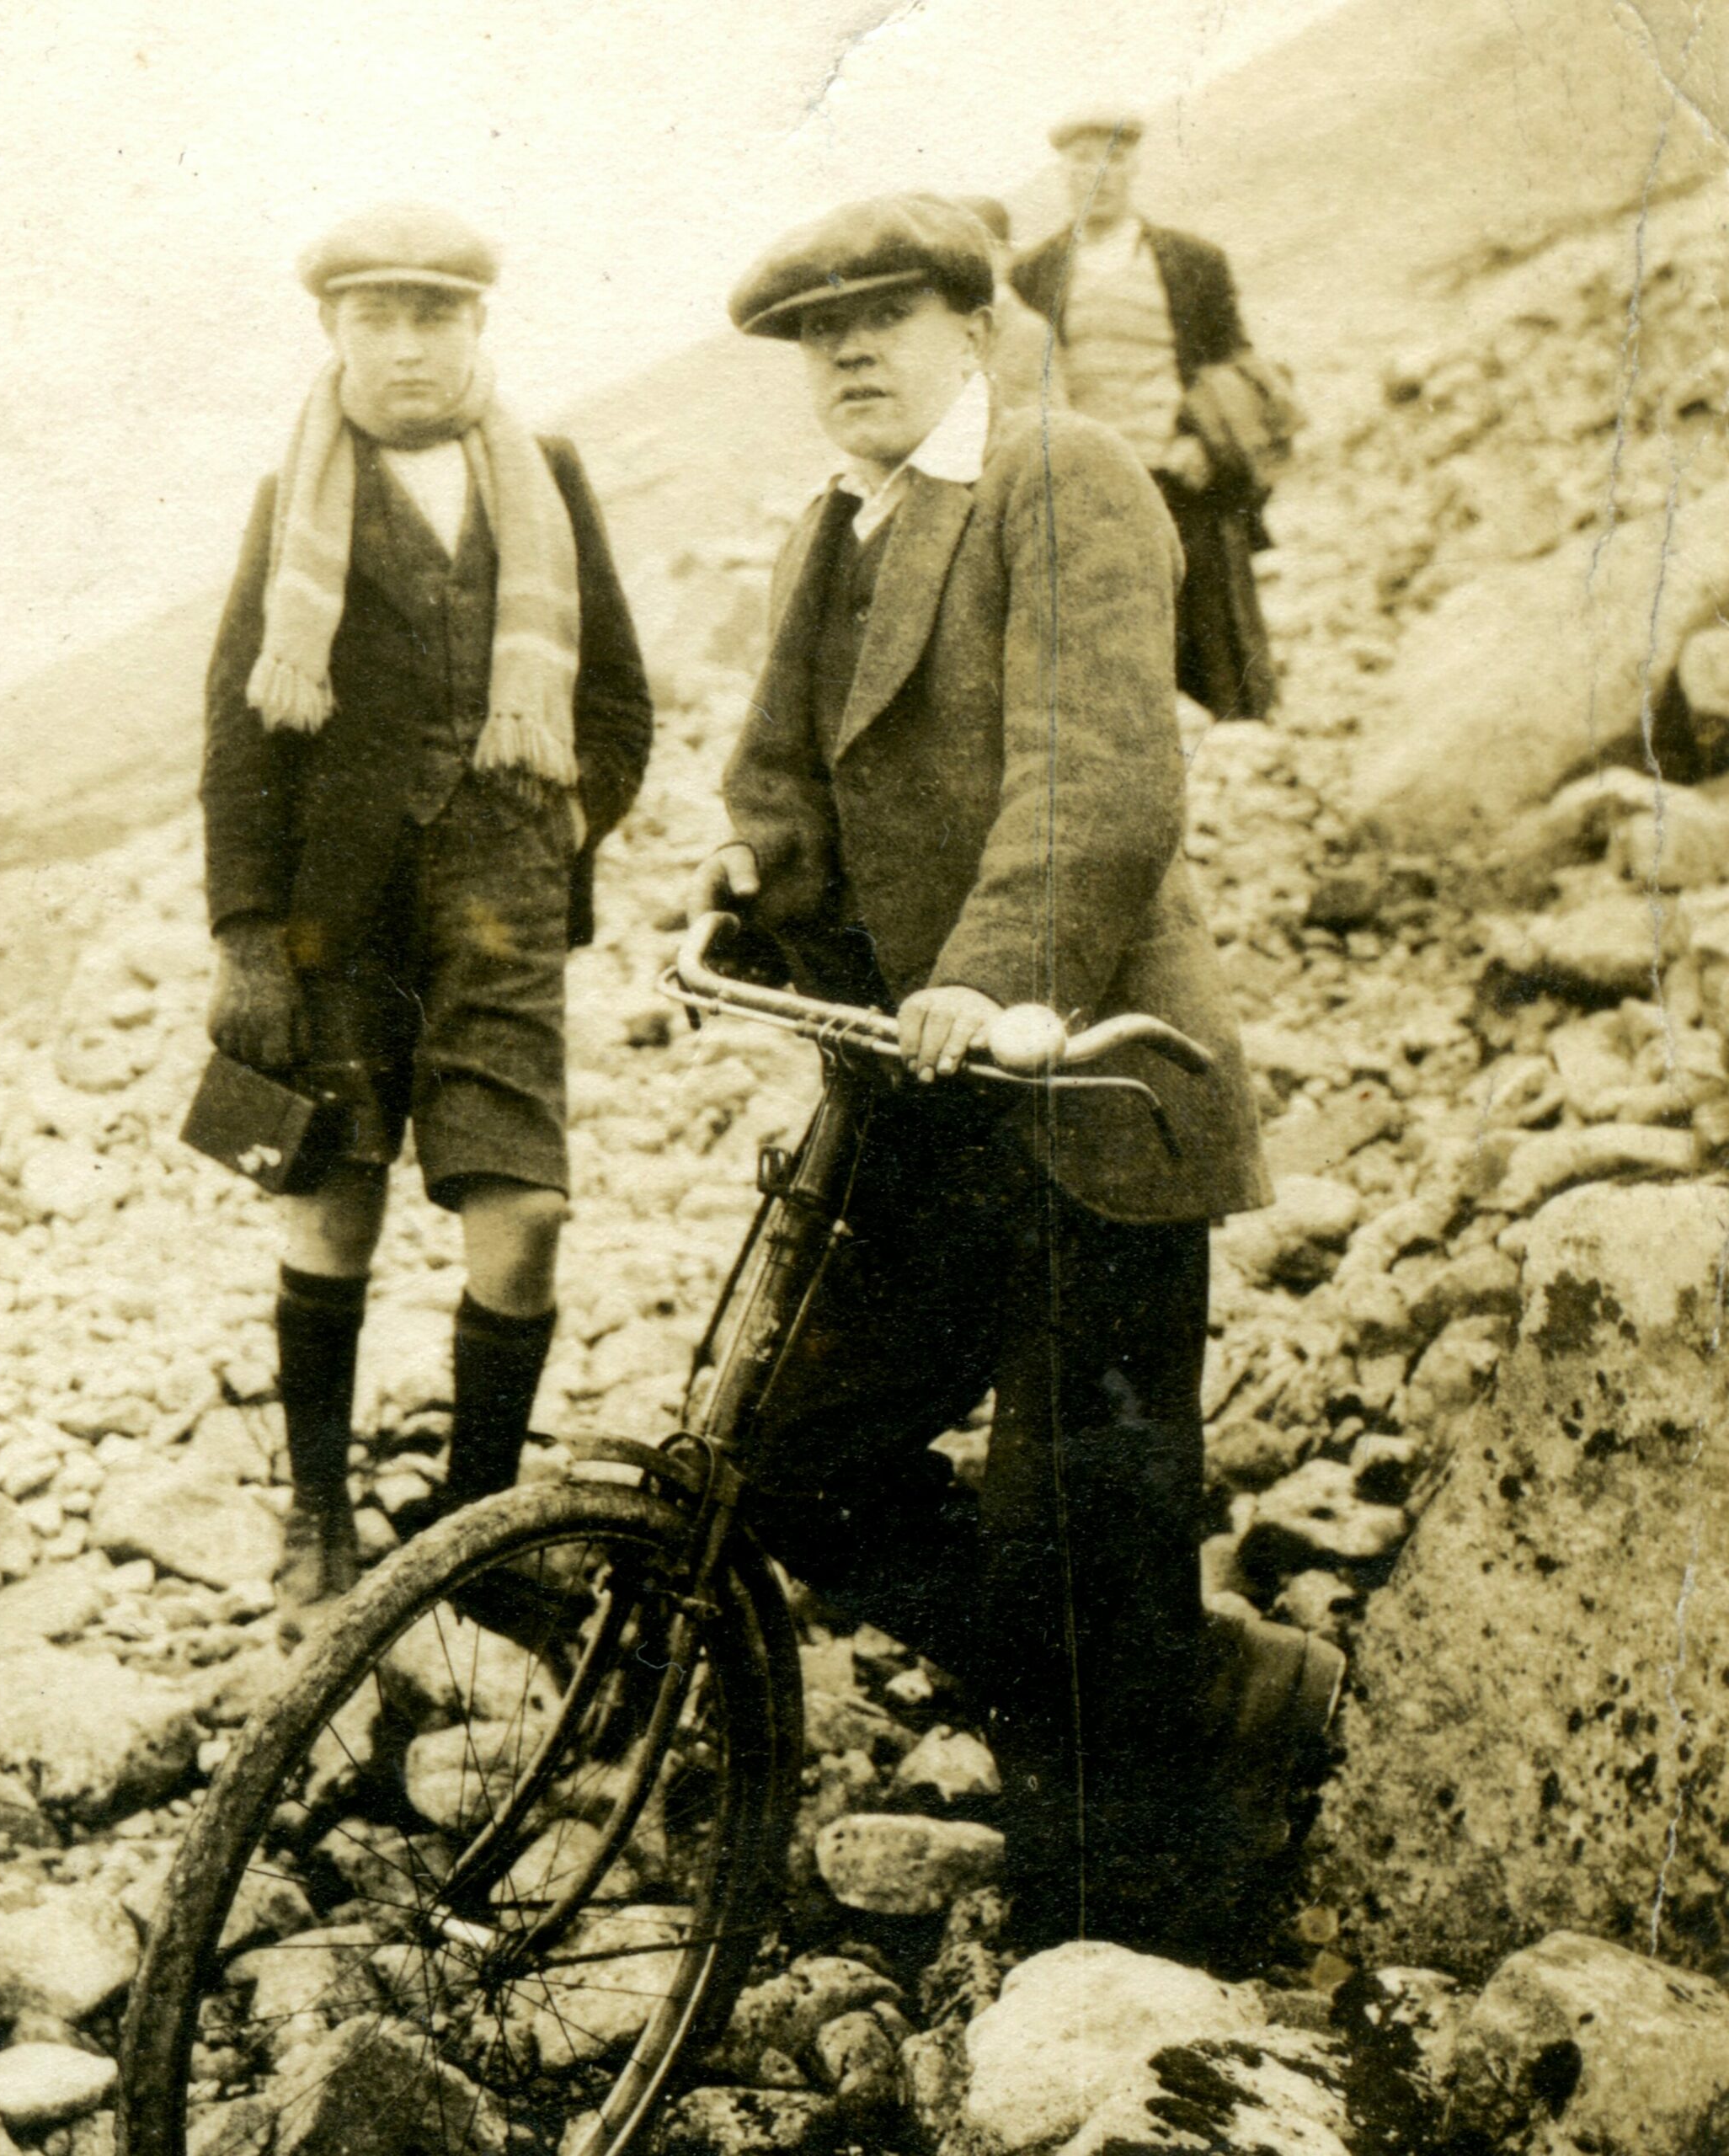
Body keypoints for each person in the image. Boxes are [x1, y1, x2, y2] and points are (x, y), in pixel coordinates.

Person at [691, 192, 1327, 1939]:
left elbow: (1099, 778)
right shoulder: (834, 529)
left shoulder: (1062, 477)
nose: (841, 356)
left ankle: (1136, 1954)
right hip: (927, 1105)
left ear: (969, 321)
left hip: (1086, 1086)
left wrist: (982, 976)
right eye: (811, 336)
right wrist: (746, 880)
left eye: (877, 317)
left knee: (1081, 1522)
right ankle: (1190, 1683)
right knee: (784, 1449)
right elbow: (782, 778)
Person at [199, 203, 654, 1609]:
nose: (406, 345)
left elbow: (618, 699)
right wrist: (247, 940)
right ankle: (319, 1514)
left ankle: (475, 1525)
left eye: (435, 315)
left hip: (503, 910)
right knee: (330, 1213)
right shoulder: (297, 497)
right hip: (337, 920)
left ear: (477, 327)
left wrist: (554, 836)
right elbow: (237, 734)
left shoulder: (547, 474)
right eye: (376, 317)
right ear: (332, 331)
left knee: (523, 1218)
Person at [1011, 112, 1280, 720]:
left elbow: (1235, 359)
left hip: (1187, 477)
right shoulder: (1033, 274)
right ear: (1062, 171)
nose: (1096, 175)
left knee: (1218, 644)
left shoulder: (1193, 260)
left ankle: (1246, 768)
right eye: (1080, 161)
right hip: (1095, 488)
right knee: (1113, 646)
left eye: (1111, 159)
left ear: (1133, 167)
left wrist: (1204, 443)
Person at [955, 194, 1052, 417]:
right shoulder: (951, 325)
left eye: (985, 250)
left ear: (1006, 255)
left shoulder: (1029, 331)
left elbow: (1047, 420)